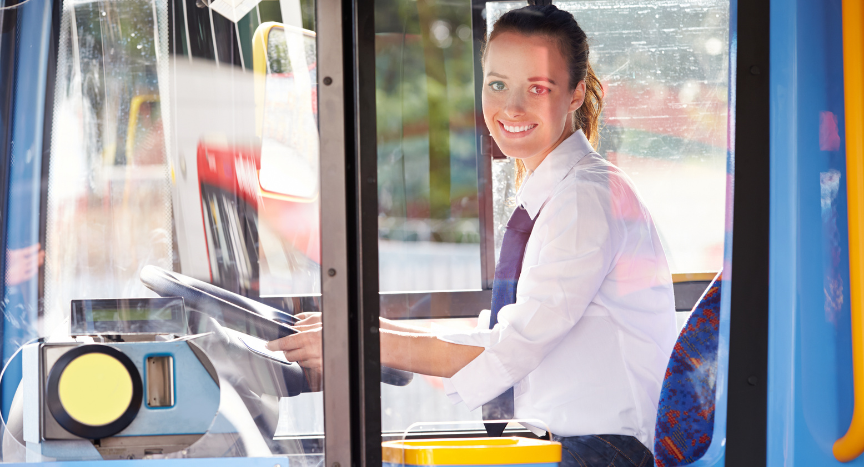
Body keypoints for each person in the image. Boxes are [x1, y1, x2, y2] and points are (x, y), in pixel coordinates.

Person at [267, 5, 677, 466]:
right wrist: (363, 332)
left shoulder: (585, 199)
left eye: (537, 88)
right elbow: (504, 335)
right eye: (498, 84)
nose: (512, 107)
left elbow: (511, 348)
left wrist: (354, 343)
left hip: (607, 452)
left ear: (576, 93)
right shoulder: (559, 193)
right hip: (568, 443)